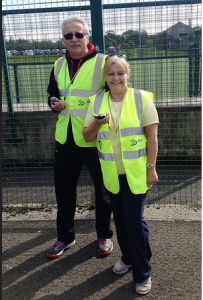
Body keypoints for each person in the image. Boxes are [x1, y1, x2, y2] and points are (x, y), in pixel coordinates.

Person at [83, 54, 159, 295]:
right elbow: (87, 136)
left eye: (120, 73)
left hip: (137, 174)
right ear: (105, 77)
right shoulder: (97, 101)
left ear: (128, 74)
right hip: (112, 174)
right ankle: (128, 258)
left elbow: (153, 138)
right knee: (122, 218)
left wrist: (151, 168)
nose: (116, 78)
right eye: (111, 74)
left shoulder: (141, 98)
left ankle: (142, 271)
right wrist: (98, 123)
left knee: (134, 220)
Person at [46, 17, 113, 258]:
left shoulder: (104, 63)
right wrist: (53, 103)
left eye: (78, 34)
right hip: (65, 139)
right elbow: (52, 95)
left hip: (96, 137)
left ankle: (104, 234)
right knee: (63, 191)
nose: (73, 39)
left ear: (87, 37)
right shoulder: (58, 65)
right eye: (68, 36)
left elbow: (117, 95)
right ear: (63, 40)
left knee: (103, 190)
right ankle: (65, 237)